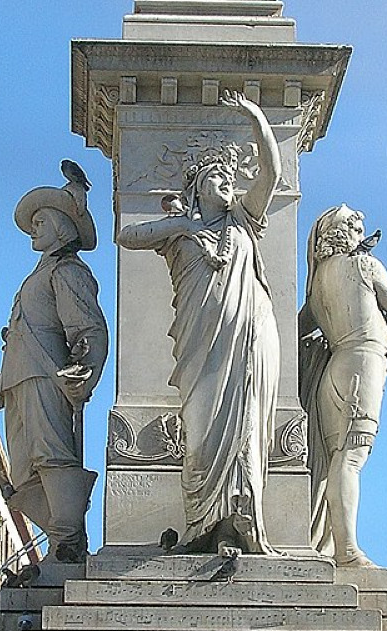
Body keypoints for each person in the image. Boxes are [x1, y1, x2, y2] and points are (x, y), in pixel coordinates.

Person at [118, 91, 281, 553]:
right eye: (217, 175)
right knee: (201, 430)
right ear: (195, 187)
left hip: (248, 338)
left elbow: (273, 173)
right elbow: (127, 235)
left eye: (230, 177)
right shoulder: (178, 234)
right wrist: (184, 227)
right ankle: (203, 524)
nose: (227, 181)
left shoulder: (245, 221)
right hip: (199, 345)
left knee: (247, 422)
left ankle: (245, 520)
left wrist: (255, 118)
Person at [0, 167, 108, 563]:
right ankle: (61, 536)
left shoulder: (68, 271)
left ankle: (67, 543)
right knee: (23, 472)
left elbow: (88, 326)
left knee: (52, 458)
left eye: (40, 222)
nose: (33, 229)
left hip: (46, 378)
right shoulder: (36, 276)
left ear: (59, 227)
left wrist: (84, 370)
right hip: (19, 382)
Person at [299, 206, 387, 566]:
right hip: (363, 362)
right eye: (357, 228)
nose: (362, 235)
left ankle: (337, 544)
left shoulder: (316, 285)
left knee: (338, 458)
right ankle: (347, 550)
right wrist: (376, 336)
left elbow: (296, 329)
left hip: (333, 368)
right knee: (351, 458)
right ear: (343, 233)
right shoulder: (366, 266)